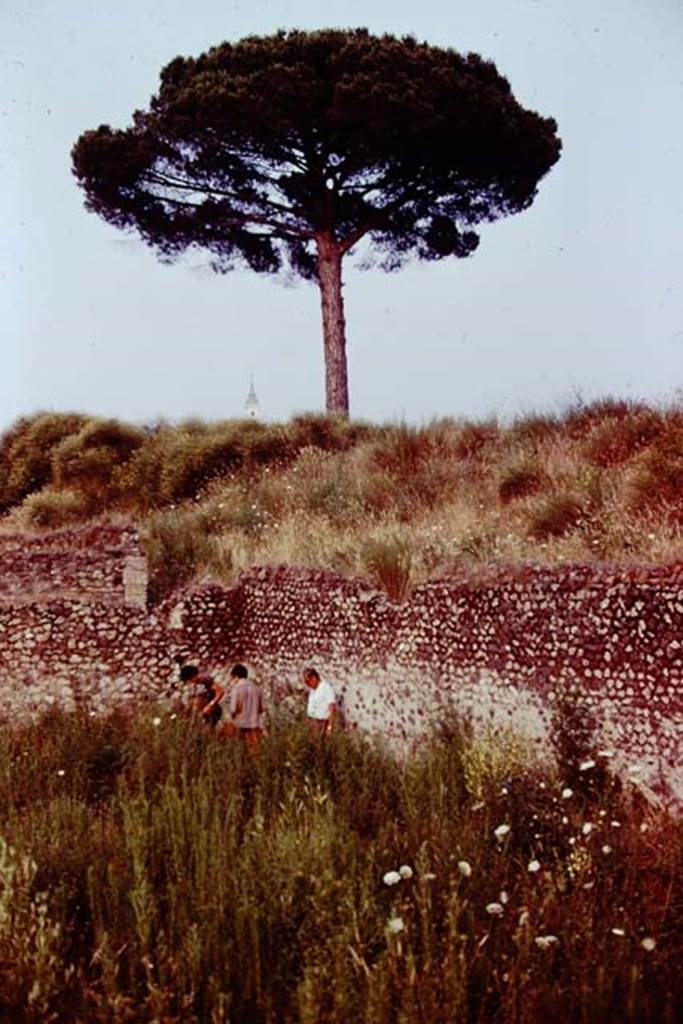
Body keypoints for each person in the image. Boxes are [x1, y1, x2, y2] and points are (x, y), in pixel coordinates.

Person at [227, 663, 266, 749]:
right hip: (255, 723)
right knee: (255, 749)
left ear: (236, 676)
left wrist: (231, 718)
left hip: (241, 724)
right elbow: (262, 708)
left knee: (240, 749)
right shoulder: (257, 688)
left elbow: (233, 709)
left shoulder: (236, 689)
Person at [179, 663, 224, 727]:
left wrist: (210, 705)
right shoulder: (196, 684)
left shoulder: (205, 679)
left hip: (213, 710)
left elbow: (220, 691)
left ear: (193, 676)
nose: (190, 682)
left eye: (190, 680)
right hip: (203, 712)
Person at [303, 667, 337, 735]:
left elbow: (332, 708)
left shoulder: (326, 688)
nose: (307, 684)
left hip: (321, 723)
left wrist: (329, 727)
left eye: (307, 681)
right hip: (312, 722)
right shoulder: (312, 690)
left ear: (314, 678)